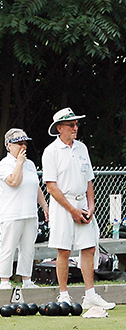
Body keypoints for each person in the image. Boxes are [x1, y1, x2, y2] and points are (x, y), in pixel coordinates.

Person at [41, 108, 114, 310]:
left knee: (89, 248)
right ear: (59, 128)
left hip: (82, 203)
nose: (75, 128)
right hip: (63, 206)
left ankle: (90, 294)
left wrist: (90, 207)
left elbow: (89, 180)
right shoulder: (51, 152)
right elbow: (51, 186)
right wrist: (72, 210)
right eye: (71, 125)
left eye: (76, 124)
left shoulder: (82, 148)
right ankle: (63, 295)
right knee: (63, 250)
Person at [0, 128, 49, 290]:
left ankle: (27, 279)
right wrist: (18, 163)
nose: (23, 146)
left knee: (28, 248)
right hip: (11, 213)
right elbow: (13, 182)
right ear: (9, 145)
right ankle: (5, 280)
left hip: (30, 213)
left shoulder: (30, 164)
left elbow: (36, 186)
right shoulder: (5, 164)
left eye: (24, 143)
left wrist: (44, 206)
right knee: (8, 247)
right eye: (19, 143)